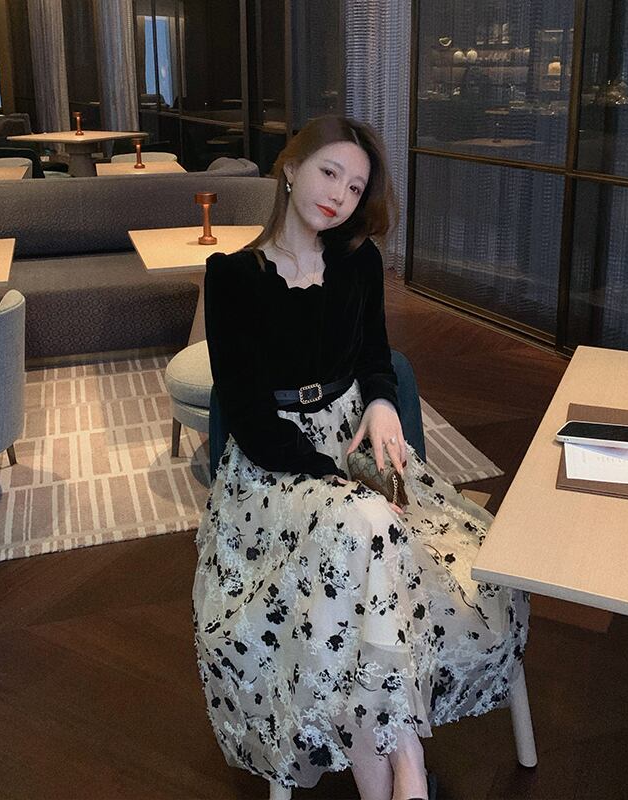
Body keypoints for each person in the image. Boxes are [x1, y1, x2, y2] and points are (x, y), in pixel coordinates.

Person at [193, 115, 528, 800]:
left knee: (373, 541)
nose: (340, 196)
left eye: (355, 187)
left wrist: (380, 402)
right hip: (274, 471)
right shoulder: (231, 277)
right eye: (329, 173)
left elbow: (376, 356)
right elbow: (250, 420)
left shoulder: (358, 261)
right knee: (366, 524)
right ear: (290, 168)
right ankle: (407, 764)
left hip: (352, 437)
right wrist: (341, 483)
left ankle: (385, 775)